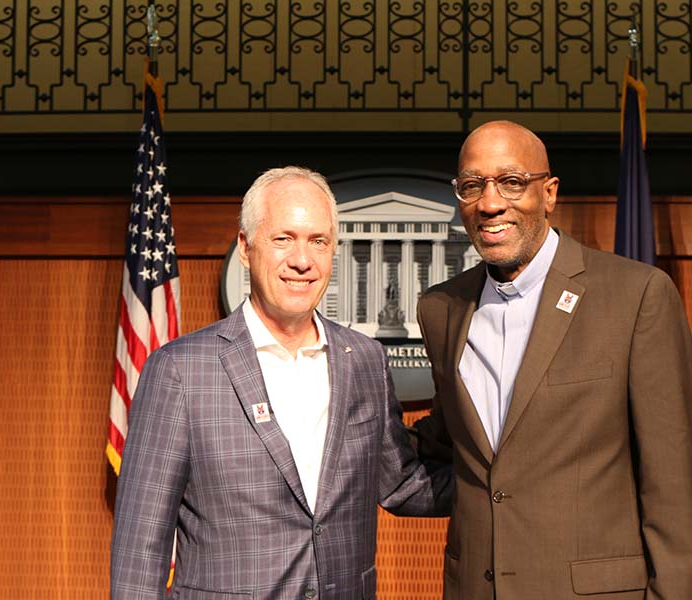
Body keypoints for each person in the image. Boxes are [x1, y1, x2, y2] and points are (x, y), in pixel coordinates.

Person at [111, 166, 451, 600]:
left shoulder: (364, 361)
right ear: (246, 248)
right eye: (283, 238)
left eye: (318, 241)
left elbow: (402, 484)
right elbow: (141, 550)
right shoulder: (180, 371)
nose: (302, 260)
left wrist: (507, 487)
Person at [415, 121, 692, 599]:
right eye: (472, 186)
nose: (490, 203)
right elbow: (450, 443)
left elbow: (671, 483)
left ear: (548, 193)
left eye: (511, 182)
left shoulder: (636, 295)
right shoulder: (442, 309)